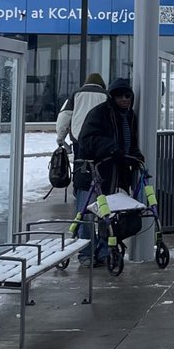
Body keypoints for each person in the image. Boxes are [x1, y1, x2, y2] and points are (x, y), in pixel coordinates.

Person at [75, 77, 146, 258]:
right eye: (119, 96)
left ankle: (105, 251)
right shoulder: (99, 113)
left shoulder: (130, 116)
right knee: (89, 213)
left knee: (109, 213)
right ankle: (86, 253)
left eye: (127, 95)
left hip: (116, 172)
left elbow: (130, 142)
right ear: (112, 97)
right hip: (92, 171)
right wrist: (111, 148)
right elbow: (86, 140)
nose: (124, 99)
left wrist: (134, 155)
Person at [56, 73, 108, 247]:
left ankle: (85, 240)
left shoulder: (76, 94)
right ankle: (103, 242)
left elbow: (63, 118)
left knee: (83, 185)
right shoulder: (106, 96)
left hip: (81, 146)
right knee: (103, 190)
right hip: (102, 147)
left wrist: (61, 140)